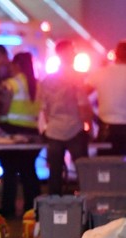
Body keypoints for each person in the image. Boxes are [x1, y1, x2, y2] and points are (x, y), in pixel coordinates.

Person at [0, 50, 41, 217]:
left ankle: (8, 208)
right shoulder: (37, 84)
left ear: (17, 65)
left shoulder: (10, 84)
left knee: (9, 170)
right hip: (32, 131)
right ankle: (32, 208)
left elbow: (4, 106)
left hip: (12, 130)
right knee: (29, 171)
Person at [38, 40, 93, 195]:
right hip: (74, 129)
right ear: (66, 53)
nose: (75, 53)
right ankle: (86, 205)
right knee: (83, 172)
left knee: (54, 173)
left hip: (54, 131)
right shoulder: (76, 79)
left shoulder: (47, 80)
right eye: (72, 50)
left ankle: (53, 207)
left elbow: (44, 109)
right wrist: (88, 127)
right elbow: (83, 106)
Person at [86, 40, 126, 155]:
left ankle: (106, 174)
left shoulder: (100, 73)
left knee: (105, 167)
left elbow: (83, 95)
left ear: (115, 54)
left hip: (106, 128)